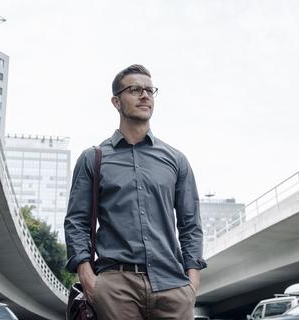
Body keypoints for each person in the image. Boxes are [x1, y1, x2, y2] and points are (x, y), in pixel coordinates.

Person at [64, 64, 207, 320]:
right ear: (116, 102)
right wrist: (87, 277)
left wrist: (191, 281)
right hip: (116, 288)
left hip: (173, 287)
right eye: (135, 90)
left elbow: (190, 225)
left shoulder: (176, 159)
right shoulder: (93, 158)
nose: (145, 95)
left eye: (150, 90)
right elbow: (77, 222)